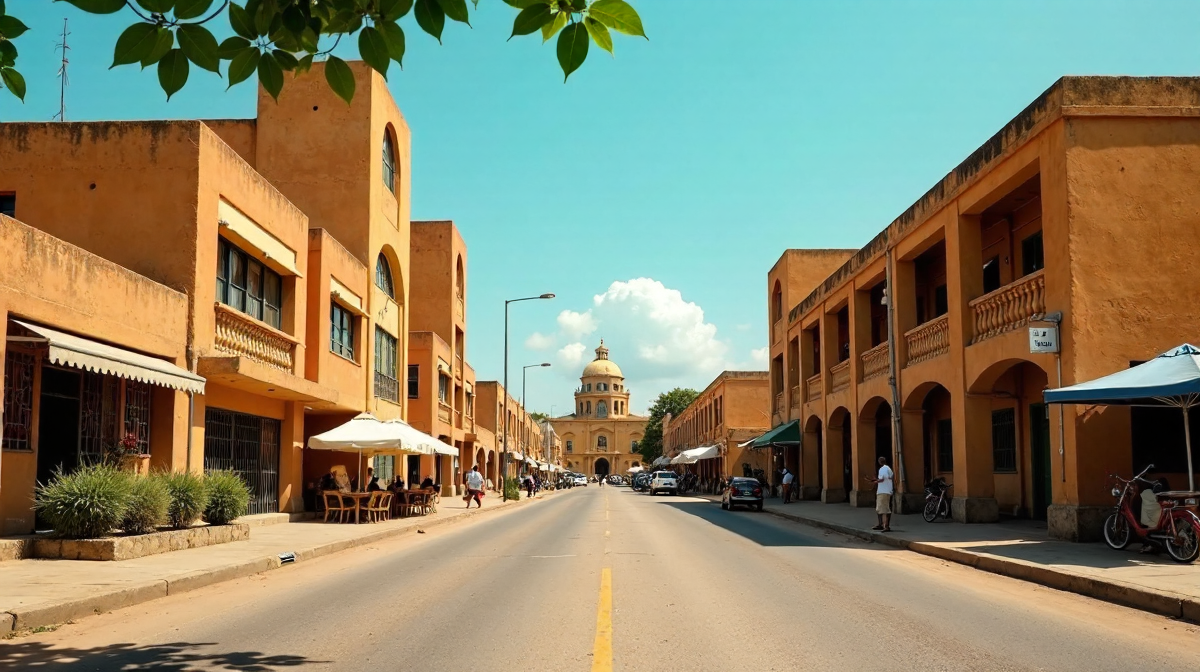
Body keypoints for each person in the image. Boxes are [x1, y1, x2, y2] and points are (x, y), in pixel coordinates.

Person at [866, 456, 894, 532]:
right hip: (887, 491)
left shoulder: (882, 469)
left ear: (879, 462)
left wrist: (874, 482)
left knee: (885, 509)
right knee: (879, 509)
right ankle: (881, 524)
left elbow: (881, 479)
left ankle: (886, 526)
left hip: (883, 491)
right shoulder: (888, 469)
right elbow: (889, 478)